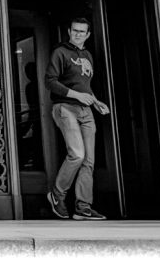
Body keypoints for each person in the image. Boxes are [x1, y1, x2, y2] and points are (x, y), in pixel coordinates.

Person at [44, 17, 110, 220]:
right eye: (75, 30)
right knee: (77, 155)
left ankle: (83, 207)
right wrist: (77, 96)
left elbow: (84, 86)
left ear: (88, 35)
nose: (78, 34)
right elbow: (50, 82)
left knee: (88, 161)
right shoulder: (60, 52)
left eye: (82, 31)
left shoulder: (87, 55)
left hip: (86, 111)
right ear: (69, 31)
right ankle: (57, 195)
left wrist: (95, 102)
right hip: (65, 108)